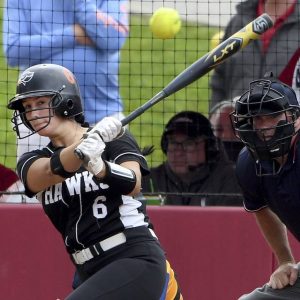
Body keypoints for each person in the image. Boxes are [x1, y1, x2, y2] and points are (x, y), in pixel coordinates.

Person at [7, 63, 182, 300]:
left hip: (133, 257)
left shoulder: (114, 138)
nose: (33, 113)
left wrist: (101, 167)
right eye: (27, 107)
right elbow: (49, 171)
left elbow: (133, 182)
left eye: (41, 103)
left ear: (65, 101)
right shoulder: (33, 159)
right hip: (88, 270)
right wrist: (83, 147)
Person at [3, 0, 129, 158]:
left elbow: (114, 39)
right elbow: (15, 51)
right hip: (40, 118)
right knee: (42, 180)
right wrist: (73, 34)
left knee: (109, 180)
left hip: (100, 115)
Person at [231, 72, 300, 299]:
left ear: (295, 117)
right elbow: (260, 208)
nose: (262, 125)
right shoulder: (248, 164)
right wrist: (285, 261)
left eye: (272, 115)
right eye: (256, 118)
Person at [210, 0, 300, 109]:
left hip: (284, 123)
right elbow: (219, 79)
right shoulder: (239, 20)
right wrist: (216, 116)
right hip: (236, 120)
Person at [142, 111, 243, 206]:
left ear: (209, 148)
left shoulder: (230, 180)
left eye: (188, 144)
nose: (178, 152)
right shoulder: (148, 181)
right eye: (173, 143)